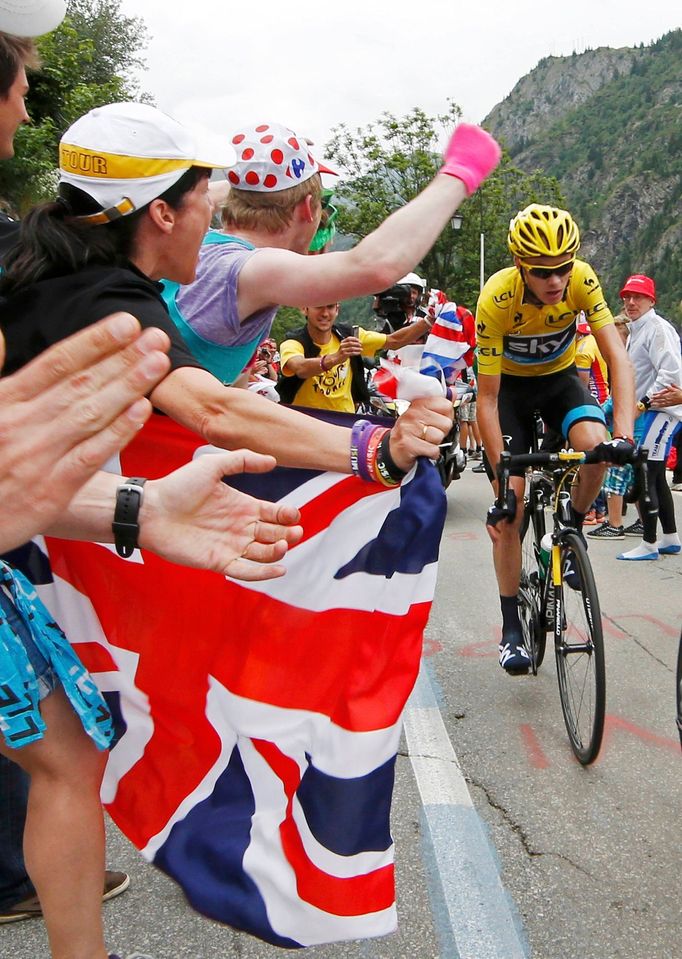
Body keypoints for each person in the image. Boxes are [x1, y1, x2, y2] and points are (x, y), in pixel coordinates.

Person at [161, 119, 499, 391]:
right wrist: (463, 171)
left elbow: (214, 195)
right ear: (308, 209)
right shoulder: (252, 268)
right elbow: (375, 266)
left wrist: (268, 168)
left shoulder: (195, 238)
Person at [475, 204, 635, 674]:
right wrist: (503, 483)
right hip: (510, 395)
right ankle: (509, 629)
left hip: (561, 381)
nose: (557, 281)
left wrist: (623, 432)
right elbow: (486, 400)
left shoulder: (583, 280)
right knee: (511, 513)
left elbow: (616, 357)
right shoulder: (497, 299)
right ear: (521, 266)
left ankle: (574, 523)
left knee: (597, 445)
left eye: (563, 268)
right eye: (544, 272)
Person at [616, 274, 682, 560]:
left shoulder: (656, 328)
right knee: (654, 477)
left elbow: (670, 373)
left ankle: (649, 543)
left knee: (647, 472)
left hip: (661, 410)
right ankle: (670, 537)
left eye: (638, 297)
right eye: (627, 297)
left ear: (651, 300)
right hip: (652, 411)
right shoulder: (637, 329)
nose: (631, 302)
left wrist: (641, 403)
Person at [278, 300, 432, 412]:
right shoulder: (294, 342)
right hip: (305, 420)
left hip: (345, 421)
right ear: (305, 309)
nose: (325, 313)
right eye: (318, 306)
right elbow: (299, 368)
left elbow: (394, 340)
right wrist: (336, 358)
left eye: (330, 306)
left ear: (337, 309)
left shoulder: (350, 334)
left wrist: (428, 321)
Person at [575, 314, 609, 523]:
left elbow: (581, 385)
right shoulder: (596, 342)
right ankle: (600, 508)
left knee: (587, 458)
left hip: (590, 405)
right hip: (603, 402)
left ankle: (592, 509)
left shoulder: (582, 349)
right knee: (600, 457)